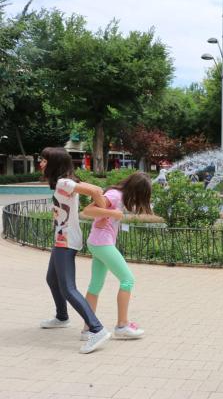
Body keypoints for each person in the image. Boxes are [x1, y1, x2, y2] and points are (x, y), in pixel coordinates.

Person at [38, 147, 111, 354]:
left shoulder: (64, 182)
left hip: (66, 240)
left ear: (54, 163)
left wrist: (103, 212)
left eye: (44, 160)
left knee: (68, 288)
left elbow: (96, 190)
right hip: (62, 238)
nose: (41, 163)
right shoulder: (63, 182)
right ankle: (62, 317)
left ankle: (96, 329)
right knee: (52, 280)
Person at [80, 172, 153, 341]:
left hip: (98, 242)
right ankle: (122, 325)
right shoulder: (115, 195)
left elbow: (98, 212)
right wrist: (114, 214)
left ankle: (88, 329)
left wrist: (108, 215)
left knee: (95, 286)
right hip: (102, 243)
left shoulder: (119, 196)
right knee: (127, 279)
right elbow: (88, 210)